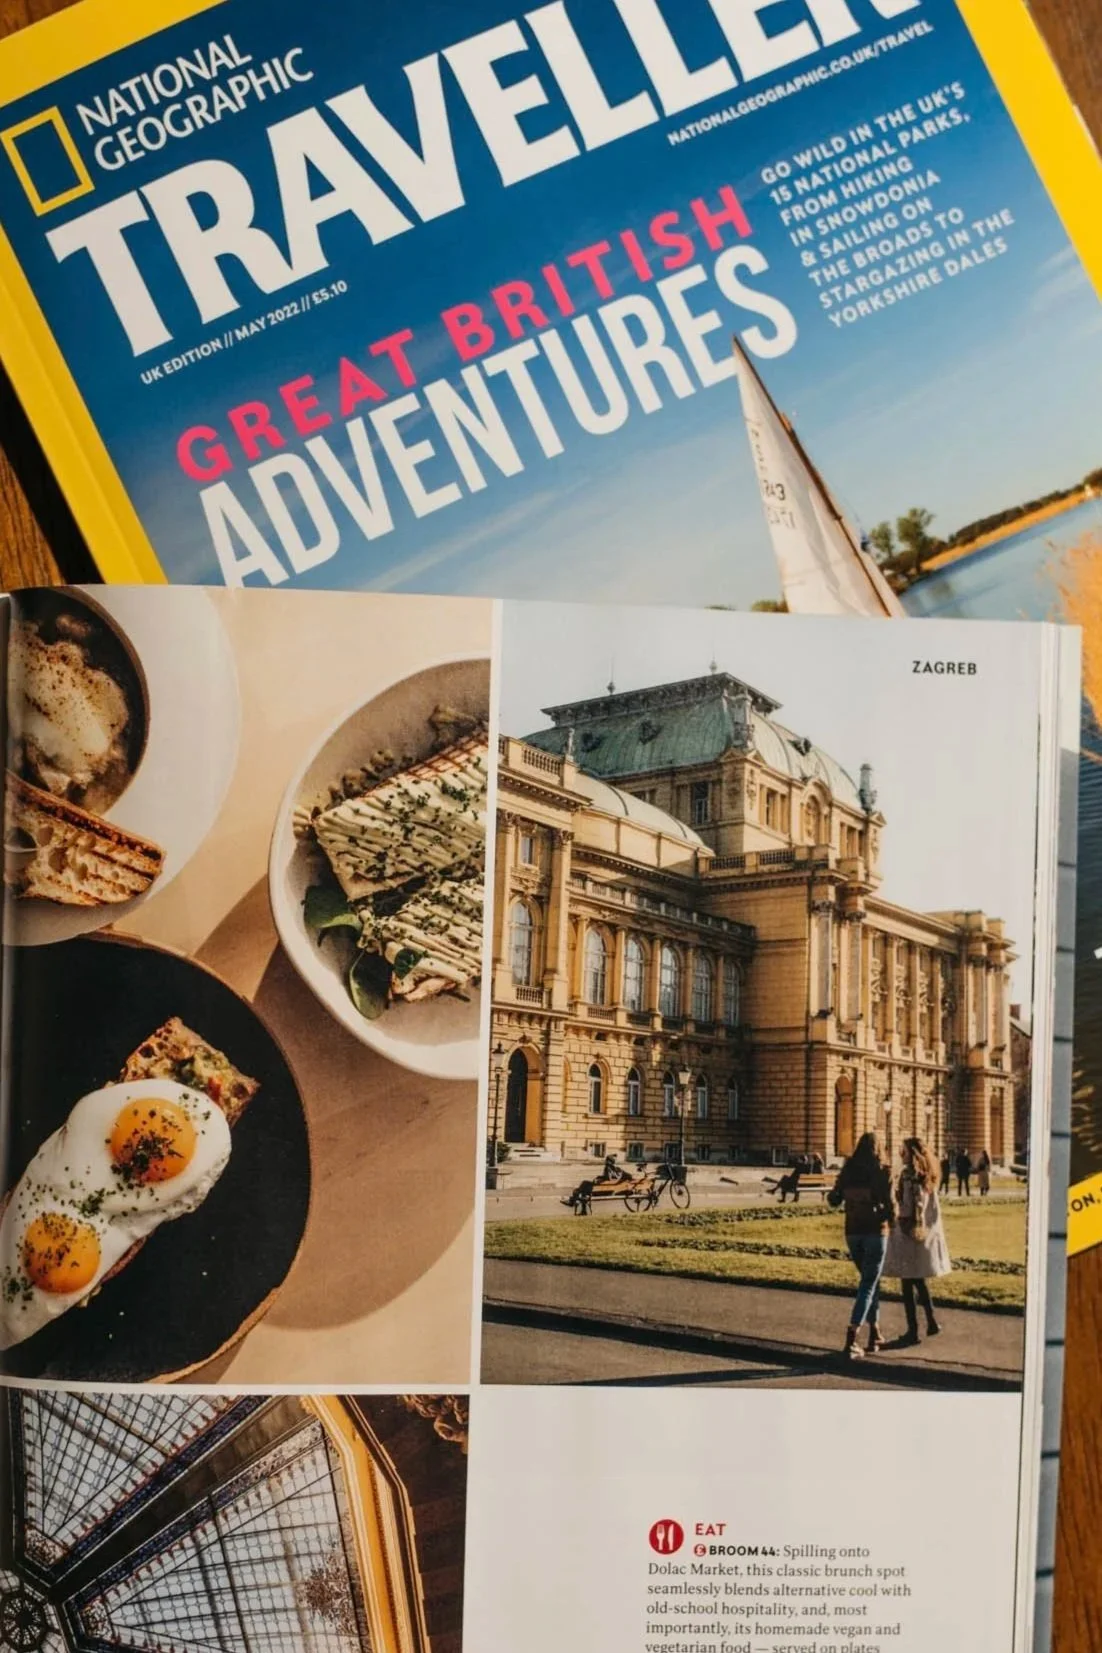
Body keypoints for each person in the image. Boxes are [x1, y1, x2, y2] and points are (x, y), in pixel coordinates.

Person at [827, 1132, 894, 1358]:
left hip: (853, 1232)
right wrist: (888, 1219)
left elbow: (834, 1200)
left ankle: (874, 1333)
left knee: (871, 1282)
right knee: (868, 1283)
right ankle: (852, 1337)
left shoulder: (848, 1170)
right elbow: (891, 1205)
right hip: (876, 1232)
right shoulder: (884, 1171)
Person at [883, 1137, 952, 1344]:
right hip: (922, 1231)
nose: (899, 1153)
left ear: (910, 1153)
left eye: (902, 1150)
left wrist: (901, 1219)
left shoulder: (908, 1175)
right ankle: (931, 1322)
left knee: (907, 1281)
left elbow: (911, 1204)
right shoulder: (927, 1175)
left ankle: (913, 1331)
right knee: (918, 1279)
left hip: (909, 1229)